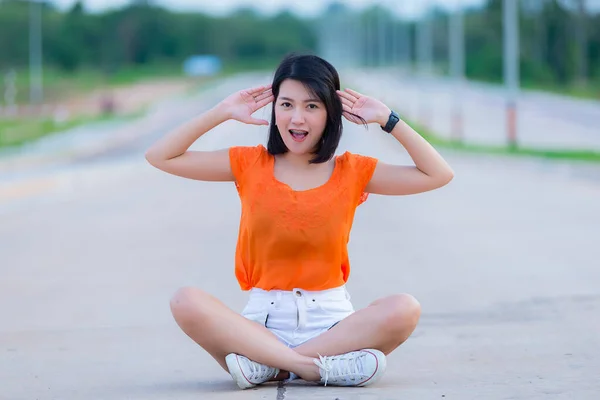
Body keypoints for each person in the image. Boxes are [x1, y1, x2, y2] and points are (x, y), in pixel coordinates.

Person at [144, 53, 454, 390]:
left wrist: (388, 119)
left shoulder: (353, 171)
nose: (297, 118)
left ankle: (269, 367)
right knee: (185, 301)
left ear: (329, 114)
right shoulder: (249, 163)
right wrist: (222, 112)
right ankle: (315, 369)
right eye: (287, 104)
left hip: (333, 327)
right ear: (274, 109)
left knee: (405, 308)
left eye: (312, 106)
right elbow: (160, 155)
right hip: (261, 325)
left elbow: (438, 174)